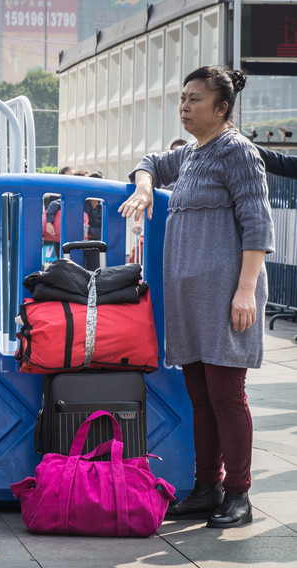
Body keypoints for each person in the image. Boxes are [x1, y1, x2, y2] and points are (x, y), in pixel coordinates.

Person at [119, 66, 274, 529]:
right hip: (188, 296)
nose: (184, 107)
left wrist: (245, 291)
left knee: (228, 396)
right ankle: (206, 487)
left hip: (226, 295)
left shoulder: (239, 153)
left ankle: (239, 493)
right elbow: (148, 161)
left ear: (222, 109)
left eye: (194, 100)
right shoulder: (190, 155)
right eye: (182, 99)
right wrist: (145, 187)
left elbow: (257, 226)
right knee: (200, 398)